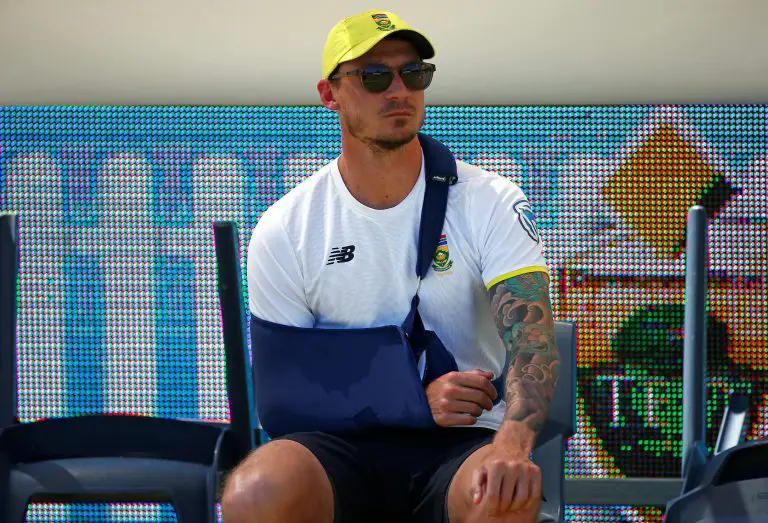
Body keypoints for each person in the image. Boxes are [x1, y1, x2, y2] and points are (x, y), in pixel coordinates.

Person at [222, 9, 560, 523]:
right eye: (375, 76)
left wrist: (513, 446)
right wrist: (412, 401)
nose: (399, 90)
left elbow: (532, 341)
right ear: (330, 94)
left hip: (465, 441)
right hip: (337, 446)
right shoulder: (286, 226)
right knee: (254, 492)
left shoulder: (491, 199)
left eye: (414, 73)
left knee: (502, 491)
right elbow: (283, 401)